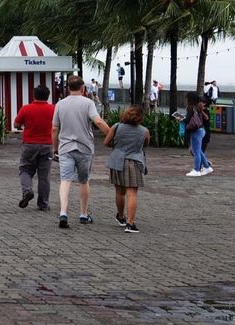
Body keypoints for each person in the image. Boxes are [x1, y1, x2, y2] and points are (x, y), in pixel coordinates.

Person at [52, 74, 112, 229]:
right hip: (84, 148)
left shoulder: (60, 104)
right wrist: (112, 134)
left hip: (65, 148)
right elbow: (97, 121)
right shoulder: (88, 103)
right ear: (82, 88)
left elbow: (54, 128)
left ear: (68, 88)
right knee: (84, 181)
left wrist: (55, 148)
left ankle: (63, 212)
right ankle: (83, 214)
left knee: (65, 180)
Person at [104, 105, 149, 233]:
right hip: (134, 162)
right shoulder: (144, 131)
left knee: (119, 191)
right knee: (132, 193)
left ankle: (120, 216)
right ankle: (130, 223)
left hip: (117, 161)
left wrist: (118, 146)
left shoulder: (116, 127)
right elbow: (145, 144)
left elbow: (106, 142)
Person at [13, 84, 55, 211]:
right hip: (47, 145)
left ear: (34, 95)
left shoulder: (26, 109)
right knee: (44, 176)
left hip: (29, 145)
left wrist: (23, 126)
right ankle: (43, 204)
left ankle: (27, 190)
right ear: (48, 96)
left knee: (25, 169)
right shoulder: (54, 109)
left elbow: (16, 124)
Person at [184, 93, 212, 177]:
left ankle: (197, 169)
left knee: (196, 151)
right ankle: (207, 167)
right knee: (198, 150)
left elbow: (188, 119)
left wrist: (181, 119)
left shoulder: (191, 107)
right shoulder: (198, 106)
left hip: (195, 130)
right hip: (200, 129)